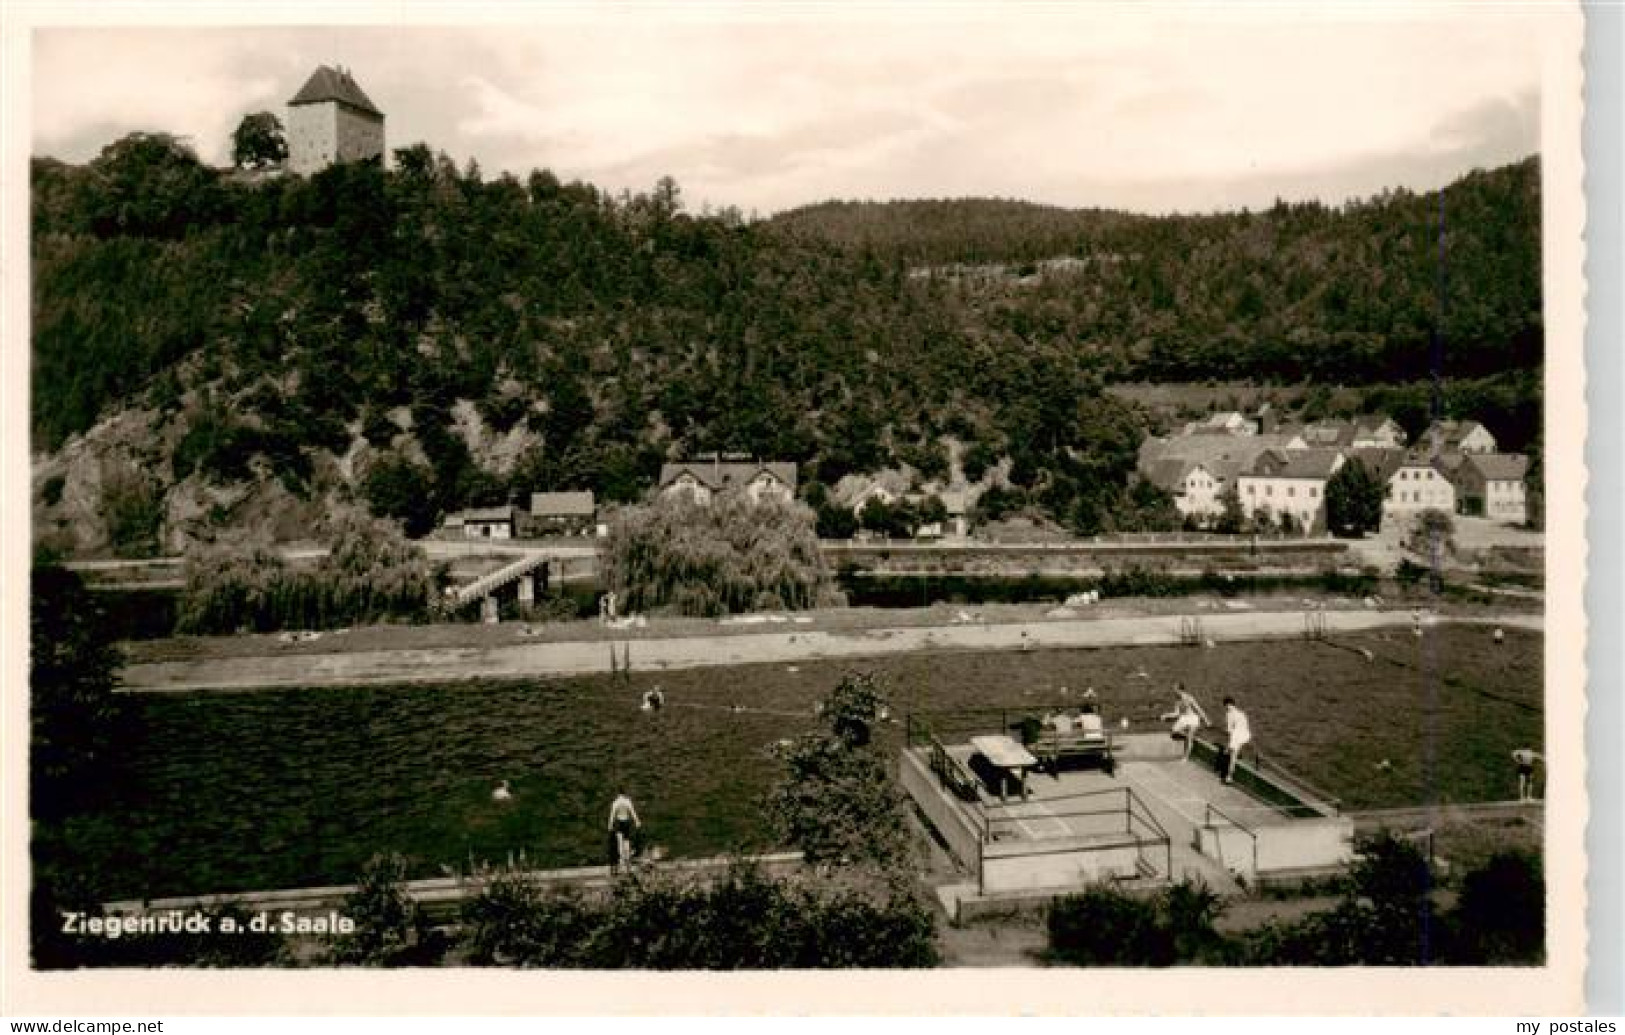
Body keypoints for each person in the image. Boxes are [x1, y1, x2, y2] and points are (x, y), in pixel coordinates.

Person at [1160, 685, 1211, 761]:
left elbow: (1198, 709)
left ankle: (1185, 756)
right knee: (1173, 732)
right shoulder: (1177, 700)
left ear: (1180, 690)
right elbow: (1176, 713)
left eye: (1175, 689)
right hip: (1184, 718)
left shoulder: (1189, 698)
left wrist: (1206, 720)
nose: (1174, 691)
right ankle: (1188, 738)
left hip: (1193, 718)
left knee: (1189, 737)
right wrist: (1166, 715)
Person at [607, 793, 641, 872]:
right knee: (626, 841)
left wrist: (610, 825)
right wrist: (637, 821)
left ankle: (622, 859)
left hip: (619, 822)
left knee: (620, 841)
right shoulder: (627, 801)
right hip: (626, 821)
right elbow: (632, 812)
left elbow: (612, 814)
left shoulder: (616, 802)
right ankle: (627, 858)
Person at [1222, 696, 1251, 784]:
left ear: (1226, 705)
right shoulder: (1241, 713)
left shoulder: (1228, 714)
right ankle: (1229, 775)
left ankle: (1229, 777)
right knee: (1233, 753)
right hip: (1246, 735)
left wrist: (1228, 746)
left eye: (1226, 706)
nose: (1227, 707)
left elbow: (1229, 731)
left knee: (1232, 756)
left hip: (1236, 735)